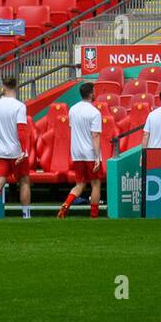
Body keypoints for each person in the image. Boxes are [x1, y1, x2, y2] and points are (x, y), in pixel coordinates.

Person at [0, 76, 30, 218]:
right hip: (16, 151)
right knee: (24, 181)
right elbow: (21, 130)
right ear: (17, 86)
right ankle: (26, 214)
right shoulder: (19, 106)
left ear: (3, 87)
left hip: (0, 151)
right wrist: (24, 150)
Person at [58, 82, 103, 219]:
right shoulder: (95, 112)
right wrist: (97, 157)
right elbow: (95, 135)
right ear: (90, 94)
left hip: (77, 152)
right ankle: (94, 215)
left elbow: (72, 128)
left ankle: (66, 204)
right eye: (94, 91)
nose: (95, 93)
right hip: (90, 152)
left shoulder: (73, 109)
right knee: (95, 184)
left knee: (80, 184)